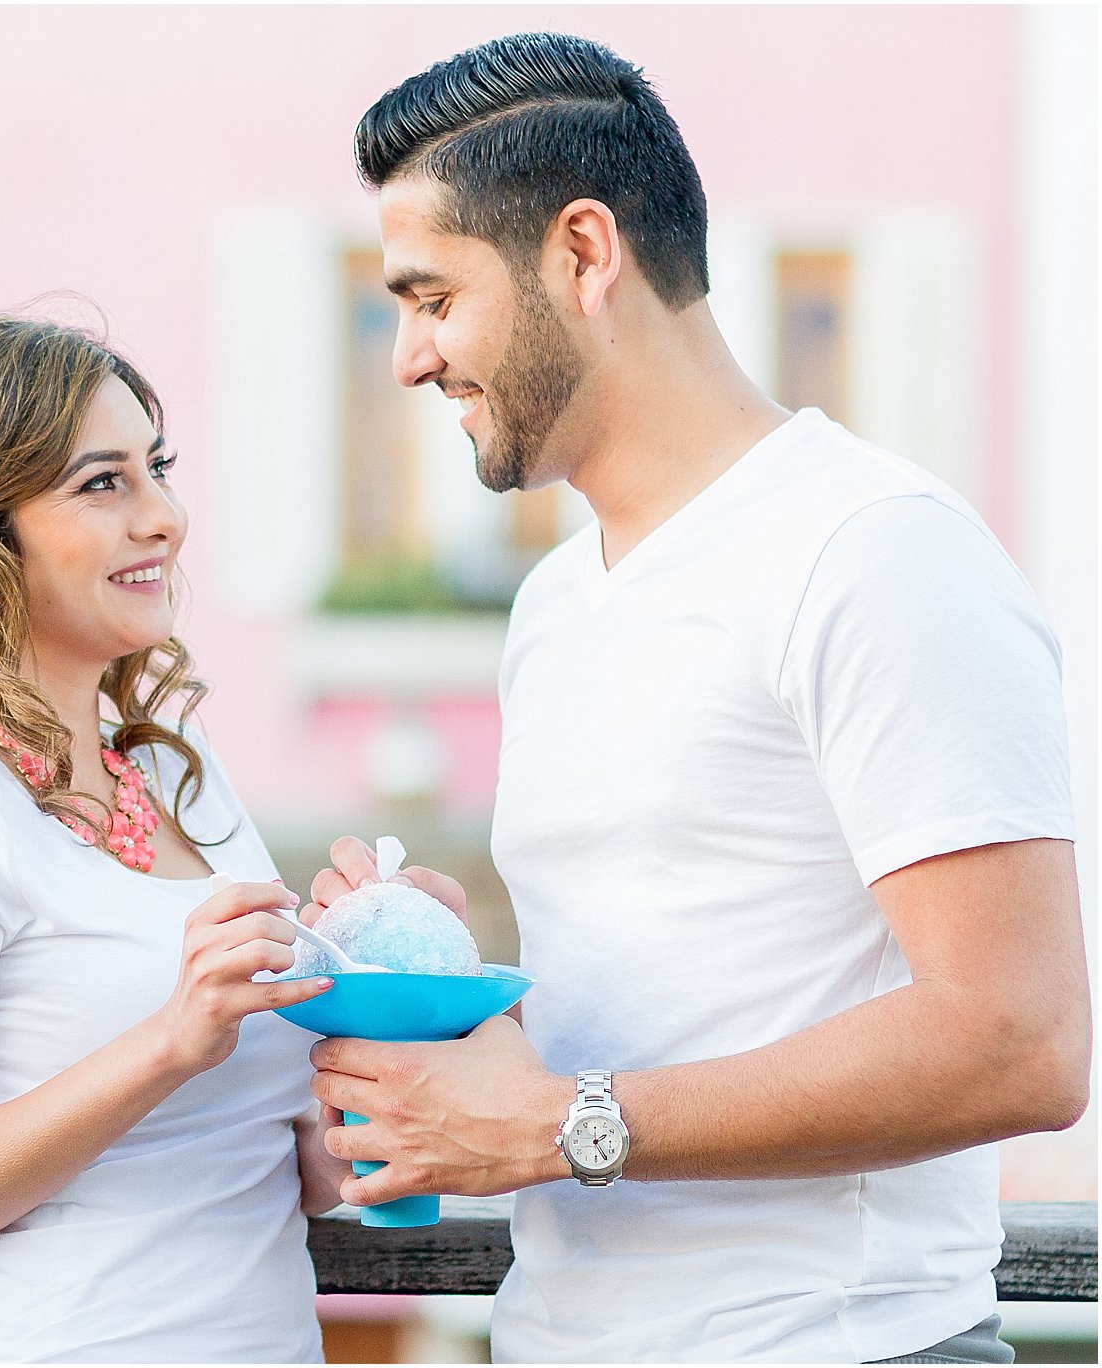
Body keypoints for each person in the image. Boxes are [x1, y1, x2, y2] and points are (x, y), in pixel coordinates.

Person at [302, 32, 1091, 1365]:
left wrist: (568, 1123)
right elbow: (684, 991)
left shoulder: (874, 553)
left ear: (585, 254)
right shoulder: (555, 605)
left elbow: (1023, 1038)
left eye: (432, 296)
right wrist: (445, 979)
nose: (408, 359)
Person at [0, 315, 346, 1363]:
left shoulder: (177, 767)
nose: (165, 518)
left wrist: (389, 955)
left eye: (157, 469)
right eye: (102, 484)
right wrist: (168, 1043)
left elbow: (298, 1175)